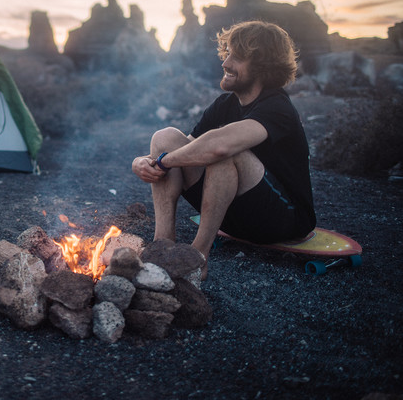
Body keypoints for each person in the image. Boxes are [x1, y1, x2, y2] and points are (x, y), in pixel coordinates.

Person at [132, 20, 315, 278]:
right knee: (166, 137)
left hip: (283, 221)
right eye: (227, 54)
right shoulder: (225, 104)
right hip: (234, 216)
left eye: (237, 57)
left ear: (264, 66)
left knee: (227, 151)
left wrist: (162, 163)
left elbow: (218, 147)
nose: (225, 63)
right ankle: (163, 246)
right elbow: (190, 147)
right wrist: (143, 161)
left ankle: (198, 258)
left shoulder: (278, 107)